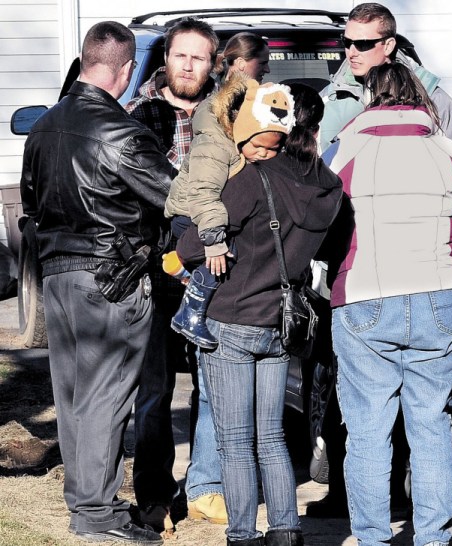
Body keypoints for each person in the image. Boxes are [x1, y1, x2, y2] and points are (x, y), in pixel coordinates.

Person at [19, 21, 174, 545]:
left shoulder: (42, 128)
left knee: (74, 396)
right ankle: (96, 512)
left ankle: (87, 505)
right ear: (127, 70)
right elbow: (174, 199)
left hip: (59, 277)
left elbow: (32, 203)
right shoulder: (126, 133)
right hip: (113, 280)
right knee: (107, 397)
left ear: (86, 60)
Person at [175, 83, 342, 546]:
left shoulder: (256, 176)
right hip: (281, 323)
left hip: (232, 319)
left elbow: (192, 245)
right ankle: (286, 531)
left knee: (235, 441)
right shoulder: (329, 187)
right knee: (270, 437)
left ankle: (244, 535)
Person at [326, 62, 452, 546]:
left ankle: (373, 538)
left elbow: (325, 221)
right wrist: (448, 260)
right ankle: (432, 538)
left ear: (370, 98)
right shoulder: (445, 147)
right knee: (431, 425)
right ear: (418, 95)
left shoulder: (346, 147)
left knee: (368, 431)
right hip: (438, 293)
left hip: (364, 294)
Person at [125, 17, 226, 532]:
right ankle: (153, 499)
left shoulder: (228, 113)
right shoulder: (137, 115)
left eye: (199, 57)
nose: (188, 65)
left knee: (217, 387)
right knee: (155, 391)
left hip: (217, 268)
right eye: (180, 55)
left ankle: (208, 487)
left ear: (213, 63)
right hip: (157, 270)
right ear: (165, 58)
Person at [166, 34, 277, 350]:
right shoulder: (221, 117)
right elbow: (205, 189)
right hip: (194, 212)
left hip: (205, 209)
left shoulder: (233, 104)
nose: (267, 69)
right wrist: (213, 243)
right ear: (242, 64)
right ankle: (190, 311)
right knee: (227, 252)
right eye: (263, 62)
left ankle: (183, 272)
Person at [319, 2, 452, 203]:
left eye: (363, 44)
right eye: (346, 41)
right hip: (351, 230)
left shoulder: (434, 101)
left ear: (388, 45)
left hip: (418, 226)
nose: (351, 52)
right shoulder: (328, 100)